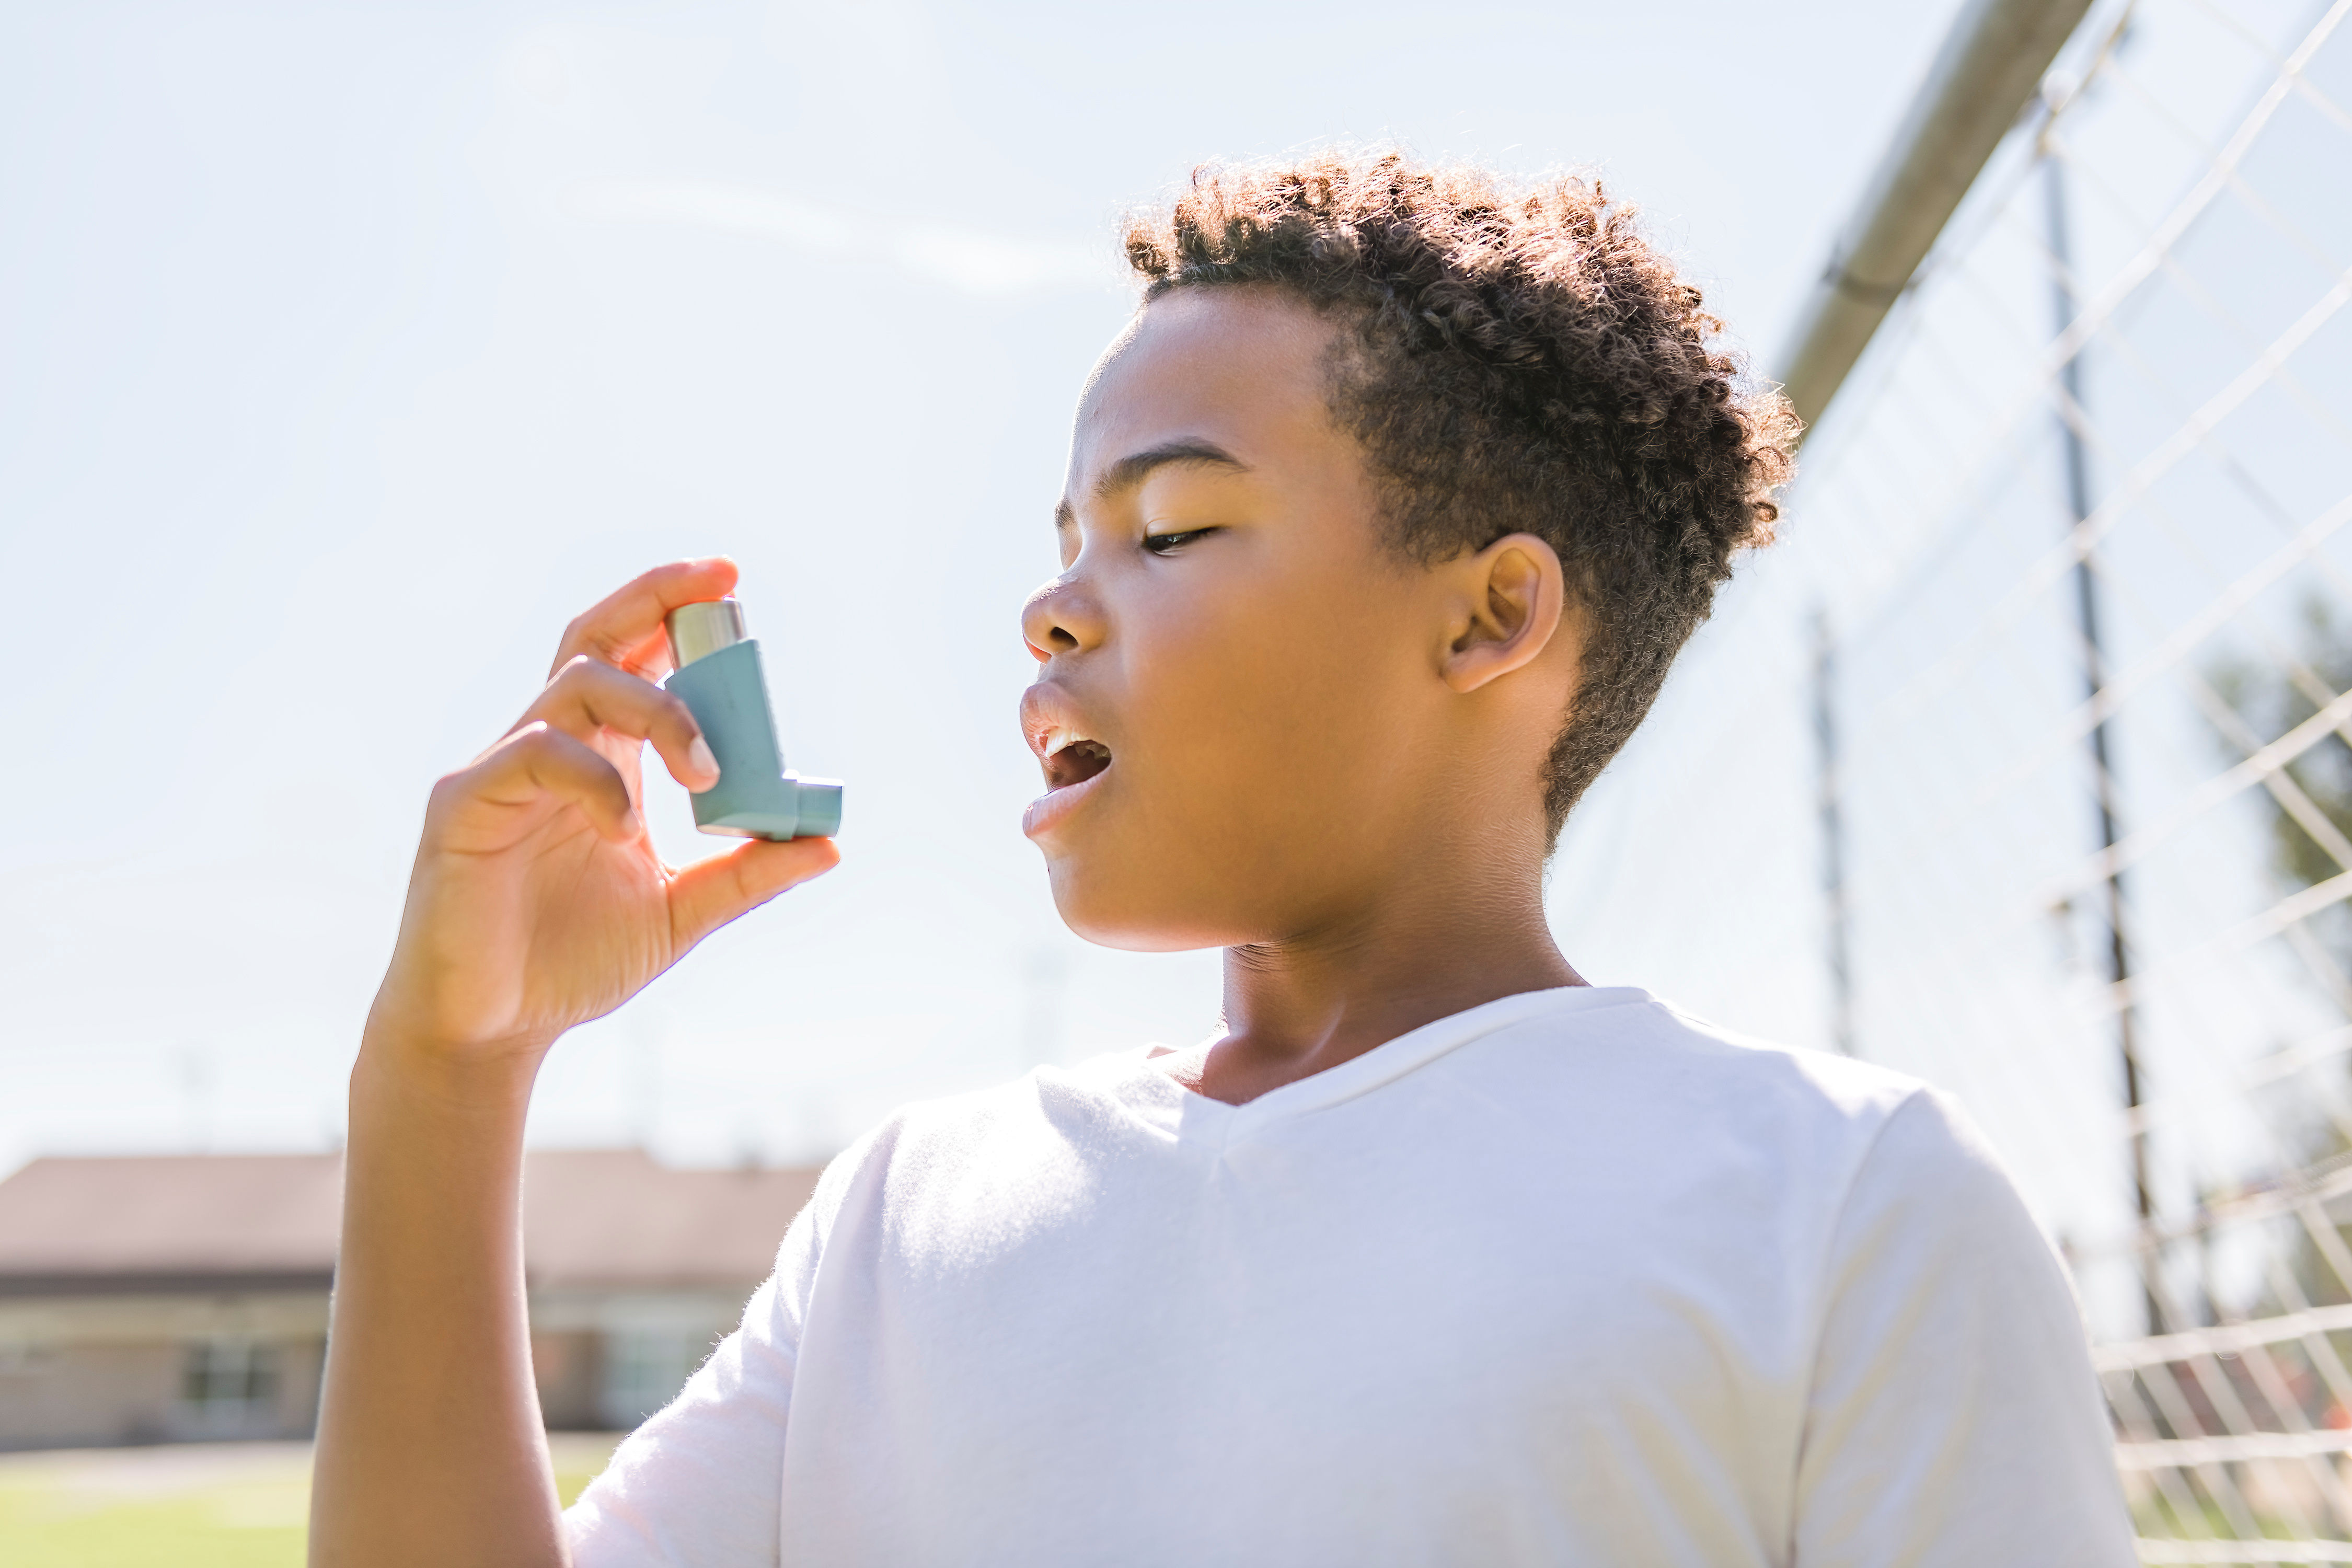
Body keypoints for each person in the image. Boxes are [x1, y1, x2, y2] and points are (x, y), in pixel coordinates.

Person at [308, 151, 2137, 1566]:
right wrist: (448, 1068)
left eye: (1168, 526)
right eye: (1062, 541)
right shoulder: (902, 1214)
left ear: (1491, 615)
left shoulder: (1840, 1209)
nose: (1048, 610)